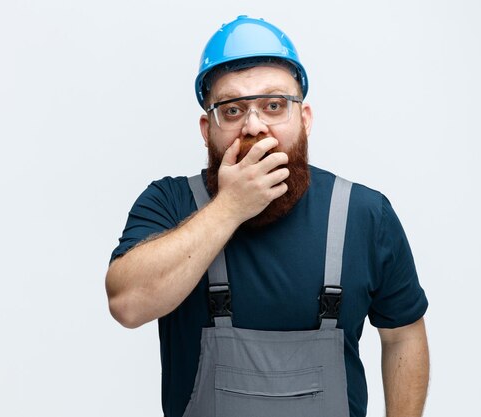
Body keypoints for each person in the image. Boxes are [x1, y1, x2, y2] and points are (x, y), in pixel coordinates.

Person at [106, 15, 429, 417]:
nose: (254, 125)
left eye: (274, 105)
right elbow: (126, 304)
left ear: (305, 120)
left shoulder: (364, 215)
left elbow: (403, 336)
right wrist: (229, 207)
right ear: (207, 129)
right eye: (233, 109)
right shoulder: (170, 203)